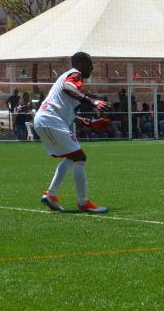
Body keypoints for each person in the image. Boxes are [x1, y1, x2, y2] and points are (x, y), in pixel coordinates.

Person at [34, 52, 110, 214]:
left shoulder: (71, 81)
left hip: (46, 120)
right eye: (90, 65)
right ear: (81, 65)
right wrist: (92, 102)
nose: (92, 68)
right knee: (79, 157)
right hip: (50, 120)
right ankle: (83, 202)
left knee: (73, 156)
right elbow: (68, 88)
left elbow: (69, 113)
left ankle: (51, 195)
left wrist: (89, 123)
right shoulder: (75, 75)